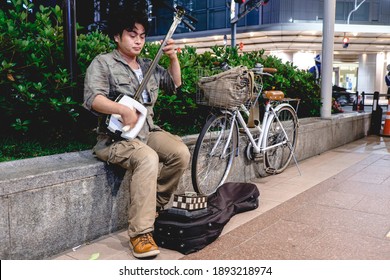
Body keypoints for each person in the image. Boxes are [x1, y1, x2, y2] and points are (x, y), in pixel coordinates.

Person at [83, 6, 190, 259]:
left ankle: (154, 205)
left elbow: (175, 85)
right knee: (147, 157)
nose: (138, 40)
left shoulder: (147, 64)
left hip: (148, 130)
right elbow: (92, 99)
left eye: (142, 35)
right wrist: (120, 108)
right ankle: (140, 233)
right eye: (132, 34)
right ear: (117, 37)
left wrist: (174, 59)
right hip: (116, 139)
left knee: (180, 152)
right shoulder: (104, 63)